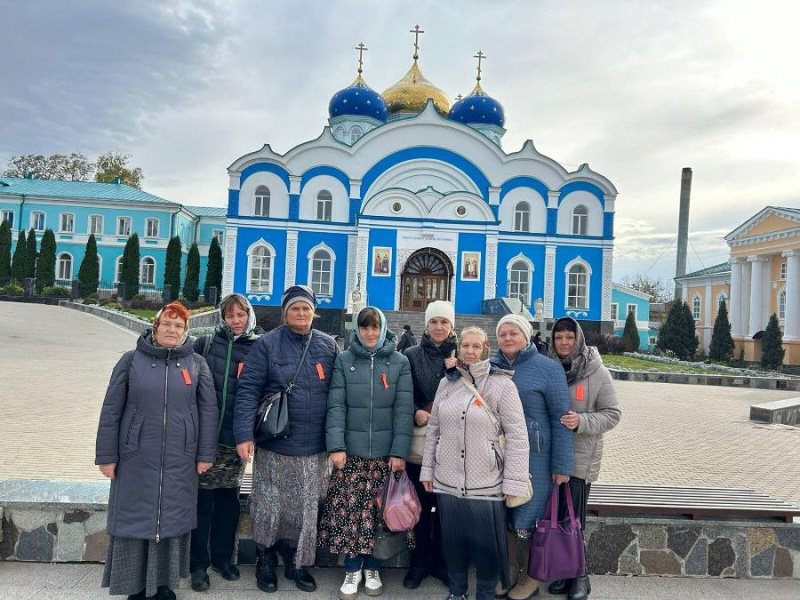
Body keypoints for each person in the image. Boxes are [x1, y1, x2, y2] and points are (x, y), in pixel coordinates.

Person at [96, 302, 218, 600]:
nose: (172, 330)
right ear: (156, 326)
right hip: (136, 455)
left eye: (179, 326)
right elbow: (111, 410)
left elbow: (208, 412)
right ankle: (134, 585)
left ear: (186, 331)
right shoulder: (131, 360)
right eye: (167, 324)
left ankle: (164, 584)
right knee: (135, 516)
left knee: (172, 518)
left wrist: (205, 454)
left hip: (181, 457)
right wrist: (107, 456)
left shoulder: (196, 364)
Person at [233, 285, 339, 593]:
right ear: (285, 312)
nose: (301, 313)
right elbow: (248, 391)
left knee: (307, 508)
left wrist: (336, 442)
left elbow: (337, 395)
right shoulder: (267, 345)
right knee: (269, 504)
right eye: (295, 308)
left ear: (314, 312)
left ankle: (297, 562)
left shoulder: (327, 346)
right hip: (275, 445)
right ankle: (265, 560)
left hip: (313, 447)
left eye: (306, 308)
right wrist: (243, 435)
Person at [420, 327, 530, 600]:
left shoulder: (502, 384)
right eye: (465, 346)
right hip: (447, 479)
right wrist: (427, 469)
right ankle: (457, 592)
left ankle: (484, 594)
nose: (469, 351)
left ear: (485, 347)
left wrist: (514, 480)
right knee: (454, 543)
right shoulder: (448, 383)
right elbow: (433, 430)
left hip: (487, 481)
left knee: (486, 547)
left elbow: (517, 435)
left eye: (475, 346)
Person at [318, 306, 414, 600]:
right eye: (364, 327)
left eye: (374, 327)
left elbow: (403, 410)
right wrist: (336, 446)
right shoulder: (344, 360)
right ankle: (351, 569)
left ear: (383, 328)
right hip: (352, 456)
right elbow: (336, 406)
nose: (369, 333)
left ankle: (373, 567)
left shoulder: (399, 362)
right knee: (350, 513)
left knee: (378, 516)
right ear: (357, 330)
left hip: (385, 457)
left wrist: (399, 451)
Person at [490, 314, 573, 600]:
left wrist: (562, 466)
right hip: (499, 455)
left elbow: (561, 418)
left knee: (530, 517)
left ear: (526, 336)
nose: (508, 338)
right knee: (504, 516)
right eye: (503, 334)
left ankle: (532, 577)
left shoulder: (547, 368)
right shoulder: (491, 366)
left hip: (536, 457)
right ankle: (508, 571)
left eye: (514, 333)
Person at [189, 293, 262, 592]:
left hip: (236, 441)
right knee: (202, 503)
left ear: (248, 316)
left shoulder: (258, 348)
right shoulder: (204, 344)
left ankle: (222, 558)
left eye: (240, 315)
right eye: (230, 315)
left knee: (228, 503)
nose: (235, 320)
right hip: (204, 440)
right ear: (222, 317)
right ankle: (197, 564)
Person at [546, 317, 621, 600]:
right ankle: (566, 573)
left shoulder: (597, 372)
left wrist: (581, 421)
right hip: (552, 457)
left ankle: (580, 576)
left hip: (580, 458)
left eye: (569, 337)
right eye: (558, 337)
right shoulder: (550, 368)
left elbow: (613, 414)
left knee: (575, 519)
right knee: (558, 516)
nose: (564, 342)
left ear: (578, 339)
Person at [402, 300, 458, 589]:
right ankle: (420, 562)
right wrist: (415, 410)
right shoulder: (411, 355)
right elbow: (402, 391)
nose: (439, 327)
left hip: (453, 447)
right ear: (427, 325)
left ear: (451, 326)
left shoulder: (463, 355)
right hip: (420, 446)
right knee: (421, 507)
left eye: (444, 322)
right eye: (434, 322)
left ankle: (443, 563)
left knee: (447, 509)